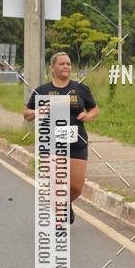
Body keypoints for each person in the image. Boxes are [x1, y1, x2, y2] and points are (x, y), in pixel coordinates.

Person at [23, 52, 99, 224]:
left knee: (77, 187)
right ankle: (58, 220)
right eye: (62, 64)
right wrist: (38, 111)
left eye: (68, 64)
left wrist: (88, 116)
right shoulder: (42, 91)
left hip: (76, 141)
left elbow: (95, 109)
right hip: (51, 142)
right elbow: (26, 114)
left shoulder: (80, 88)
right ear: (52, 67)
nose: (66, 67)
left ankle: (65, 204)